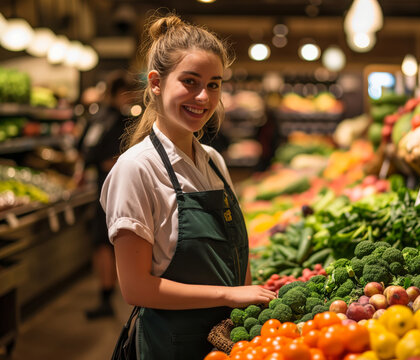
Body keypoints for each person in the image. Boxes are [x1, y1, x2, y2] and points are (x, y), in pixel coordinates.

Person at [100, 14, 276, 359]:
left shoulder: (213, 160)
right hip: (171, 345)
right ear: (156, 82)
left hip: (225, 341)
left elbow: (236, 254)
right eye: (190, 81)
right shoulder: (137, 169)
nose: (203, 97)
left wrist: (249, 300)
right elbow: (136, 289)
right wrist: (229, 295)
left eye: (214, 84)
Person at [77, 70, 137, 319]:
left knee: (105, 243)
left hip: (105, 186)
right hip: (112, 188)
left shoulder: (98, 118)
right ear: (119, 93)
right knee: (108, 243)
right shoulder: (119, 121)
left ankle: (111, 294)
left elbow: (83, 149)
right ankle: (110, 295)